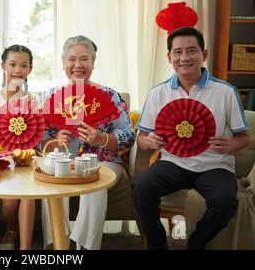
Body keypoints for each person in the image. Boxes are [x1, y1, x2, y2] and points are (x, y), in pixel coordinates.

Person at [133, 27, 250, 250]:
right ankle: (158, 244)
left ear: (203, 55)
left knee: (225, 202)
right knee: (141, 188)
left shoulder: (225, 91)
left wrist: (230, 145)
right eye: (177, 52)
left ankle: (195, 244)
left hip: (215, 165)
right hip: (173, 163)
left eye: (191, 51)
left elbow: (243, 138)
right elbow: (141, 138)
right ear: (170, 57)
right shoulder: (159, 93)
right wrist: (149, 141)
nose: (184, 58)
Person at [40, 35, 135, 250]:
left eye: (84, 59)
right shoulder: (49, 96)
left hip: (104, 160)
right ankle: (57, 243)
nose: (78, 65)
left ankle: (85, 246)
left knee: (93, 178)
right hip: (63, 159)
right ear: (64, 63)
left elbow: (128, 136)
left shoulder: (109, 95)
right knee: (53, 176)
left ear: (93, 63)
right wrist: (56, 141)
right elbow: (39, 140)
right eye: (71, 59)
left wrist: (101, 138)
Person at [0, 45, 36, 250]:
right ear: (3, 66)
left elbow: (34, 136)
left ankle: (25, 248)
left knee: (28, 195)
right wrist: (7, 156)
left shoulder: (31, 101)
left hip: (25, 159)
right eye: (12, 64)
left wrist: (22, 156)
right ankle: (11, 229)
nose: (18, 70)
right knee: (10, 201)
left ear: (30, 69)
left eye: (23, 65)